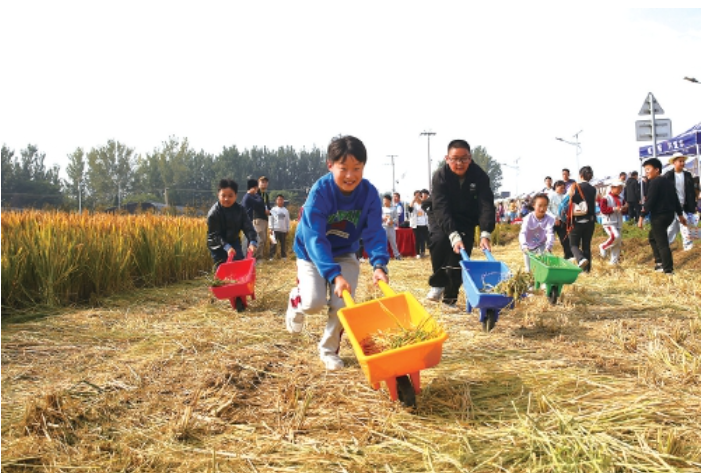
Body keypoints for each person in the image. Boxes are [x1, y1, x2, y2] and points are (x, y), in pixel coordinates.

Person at [285, 135, 389, 371]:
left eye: (357, 169)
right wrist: (334, 275)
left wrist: (379, 265)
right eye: (344, 169)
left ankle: (328, 351)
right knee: (313, 303)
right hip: (311, 253)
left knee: (343, 303)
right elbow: (315, 239)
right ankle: (296, 299)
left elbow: (374, 232)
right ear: (330, 165)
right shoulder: (320, 194)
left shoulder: (369, 194)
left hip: (344, 252)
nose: (351, 175)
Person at [427, 139, 495, 307]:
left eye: (464, 158)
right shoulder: (440, 176)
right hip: (440, 217)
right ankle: (439, 282)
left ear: (470, 158)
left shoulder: (479, 176)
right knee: (440, 241)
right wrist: (452, 234)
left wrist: (485, 233)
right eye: (454, 159)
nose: (459, 163)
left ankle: (450, 298)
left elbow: (486, 204)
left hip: (466, 219)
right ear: (447, 158)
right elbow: (440, 207)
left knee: (460, 256)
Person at [638, 158, 686, 274]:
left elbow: (650, 202)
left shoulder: (655, 183)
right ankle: (659, 263)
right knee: (652, 237)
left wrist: (641, 217)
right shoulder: (668, 182)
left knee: (662, 243)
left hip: (659, 216)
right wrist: (680, 215)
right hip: (669, 215)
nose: (646, 172)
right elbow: (675, 200)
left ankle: (668, 269)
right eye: (645, 170)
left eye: (648, 169)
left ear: (657, 170)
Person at [206, 179, 258, 267]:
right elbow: (215, 235)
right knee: (222, 268)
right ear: (218, 195)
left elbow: (248, 227)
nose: (226, 199)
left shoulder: (240, 210)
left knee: (238, 266)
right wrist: (226, 246)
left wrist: (252, 241)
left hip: (234, 241)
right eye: (223, 196)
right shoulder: (213, 213)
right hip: (217, 246)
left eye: (230, 196)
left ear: (236, 196)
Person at [664, 152, 698, 251]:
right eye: (680, 161)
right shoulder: (668, 176)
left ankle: (688, 247)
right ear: (674, 162)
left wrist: (694, 204)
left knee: (685, 225)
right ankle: (665, 247)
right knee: (672, 229)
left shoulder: (687, 175)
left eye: (683, 161)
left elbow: (691, 191)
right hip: (672, 206)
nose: (682, 163)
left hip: (685, 205)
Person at [567, 166, 597, 272]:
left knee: (573, 244)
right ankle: (587, 270)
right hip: (590, 221)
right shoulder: (593, 189)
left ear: (580, 175)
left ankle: (580, 258)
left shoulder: (574, 187)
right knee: (586, 246)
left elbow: (568, 201)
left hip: (577, 220)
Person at [519, 193, 555, 272]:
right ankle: (531, 284)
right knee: (529, 270)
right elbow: (523, 233)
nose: (542, 208)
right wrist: (524, 246)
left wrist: (548, 247)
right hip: (528, 247)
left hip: (541, 245)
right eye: (540, 205)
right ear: (534, 205)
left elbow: (550, 234)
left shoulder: (549, 219)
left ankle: (542, 283)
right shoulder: (528, 218)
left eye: (545, 205)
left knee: (542, 268)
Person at [598, 180, 627, 265]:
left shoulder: (621, 199)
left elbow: (623, 211)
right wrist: (614, 209)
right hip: (609, 221)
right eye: (618, 188)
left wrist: (625, 208)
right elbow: (603, 210)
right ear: (612, 188)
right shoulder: (605, 198)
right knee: (615, 236)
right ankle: (603, 246)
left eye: (621, 189)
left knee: (617, 243)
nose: (620, 190)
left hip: (618, 222)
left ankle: (614, 262)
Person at [548, 180, 573, 260]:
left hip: (562, 221)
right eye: (561, 188)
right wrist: (554, 218)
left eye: (564, 188)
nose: (563, 189)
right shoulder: (551, 196)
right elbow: (547, 209)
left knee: (565, 239)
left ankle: (568, 256)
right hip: (551, 221)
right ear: (556, 187)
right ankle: (547, 256)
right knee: (549, 239)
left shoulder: (564, 197)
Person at [269, 194, 290, 260]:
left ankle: (283, 256)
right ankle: (271, 257)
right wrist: (270, 228)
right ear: (276, 201)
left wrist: (287, 229)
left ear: (283, 201)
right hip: (274, 229)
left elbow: (287, 220)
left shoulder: (286, 211)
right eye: (279, 199)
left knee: (283, 244)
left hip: (283, 230)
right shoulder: (273, 209)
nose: (280, 201)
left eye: (281, 200)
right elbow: (270, 219)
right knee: (273, 244)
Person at [410, 190, 429, 258]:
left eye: (419, 195)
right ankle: (417, 253)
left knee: (423, 239)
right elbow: (410, 209)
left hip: (424, 224)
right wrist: (413, 200)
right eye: (416, 196)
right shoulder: (414, 205)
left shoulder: (424, 204)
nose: (418, 197)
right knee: (417, 239)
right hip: (416, 224)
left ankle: (423, 252)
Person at [382, 194, 402, 260]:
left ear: (389, 201)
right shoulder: (381, 209)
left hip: (391, 228)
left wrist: (392, 222)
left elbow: (396, 219)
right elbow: (377, 218)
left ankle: (397, 255)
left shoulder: (393, 209)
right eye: (383, 200)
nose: (384, 201)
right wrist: (382, 219)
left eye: (385, 200)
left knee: (393, 242)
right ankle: (383, 256)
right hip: (383, 228)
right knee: (383, 242)